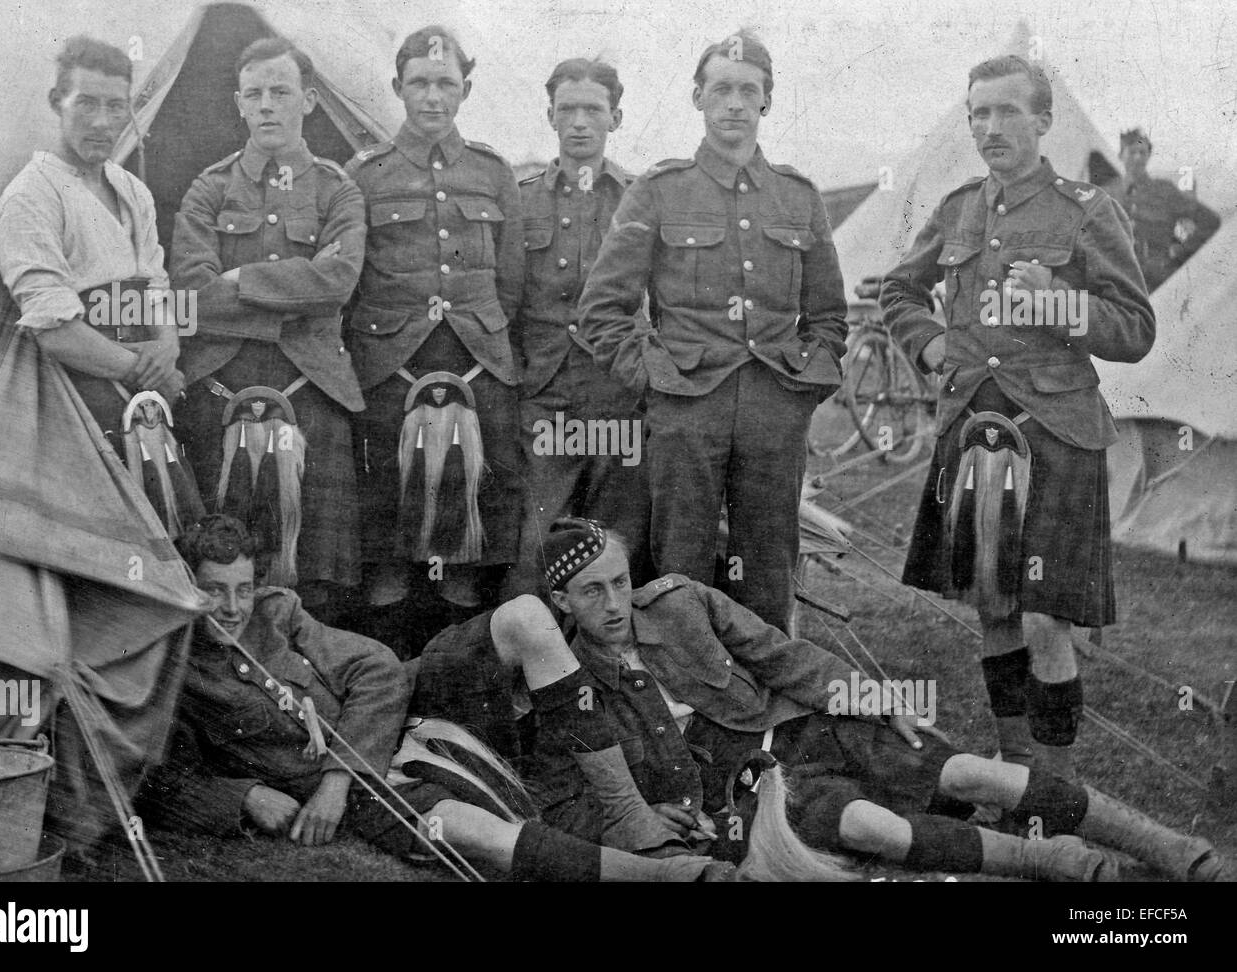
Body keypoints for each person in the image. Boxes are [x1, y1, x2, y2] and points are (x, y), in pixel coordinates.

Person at [416, 517, 1228, 882]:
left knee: (974, 775)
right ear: (562, 608)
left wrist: (874, 698)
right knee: (866, 827)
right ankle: (1055, 862)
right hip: (744, 776)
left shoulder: (682, 602)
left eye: (619, 582)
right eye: (591, 595)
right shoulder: (567, 685)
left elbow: (785, 656)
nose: (613, 604)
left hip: (807, 724)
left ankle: (1171, 849)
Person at [140, 514, 727, 882]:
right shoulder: (168, 665)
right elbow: (159, 778)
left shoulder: (278, 613)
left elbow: (378, 672)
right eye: (214, 590)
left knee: (524, 615)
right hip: (376, 787)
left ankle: (626, 814)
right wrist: (246, 796)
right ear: (184, 584)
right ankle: (677, 876)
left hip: (409, 706)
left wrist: (338, 778)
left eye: (243, 588)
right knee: (472, 834)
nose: (233, 606)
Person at [879, 55, 1156, 781]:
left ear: (1043, 121)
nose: (989, 127)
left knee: (1044, 616)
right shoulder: (958, 206)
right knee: (993, 606)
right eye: (977, 113)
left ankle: (1058, 791)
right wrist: (933, 343)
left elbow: (1135, 328)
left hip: (1057, 434)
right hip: (972, 425)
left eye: (1005, 112)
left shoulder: (1088, 209)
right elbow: (899, 293)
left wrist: (1060, 305)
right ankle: (1014, 765)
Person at [578, 32, 847, 633]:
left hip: (775, 411)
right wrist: (655, 381)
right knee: (681, 566)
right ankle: (689, 699)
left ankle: (768, 708)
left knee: (769, 568)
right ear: (698, 97)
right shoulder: (660, 189)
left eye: (747, 91)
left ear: (766, 103)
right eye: (720, 89)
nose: (734, 103)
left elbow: (829, 314)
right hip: (686, 410)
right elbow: (602, 308)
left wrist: (805, 386)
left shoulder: (798, 196)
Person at [171, 37, 366, 624]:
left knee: (320, 573)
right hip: (220, 397)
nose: (267, 105)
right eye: (254, 94)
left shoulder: (338, 188)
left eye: (280, 92)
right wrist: (293, 293)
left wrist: (240, 279)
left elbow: (337, 281)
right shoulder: (208, 188)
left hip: (314, 394)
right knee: (217, 565)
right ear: (238, 103)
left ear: (308, 100)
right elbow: (191, 298)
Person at [344, 26, 524, 632]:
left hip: (478, 361)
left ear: (465, 89)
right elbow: (350, 278)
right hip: (391, 367)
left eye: (446, 83)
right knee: (390, 531)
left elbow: (513, 281)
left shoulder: (494, 172)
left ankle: (462, 672)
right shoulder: (364, 174)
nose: (432, 96)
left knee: (474, 527)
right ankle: (392, 664)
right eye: (419, 83)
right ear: (398, 87)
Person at [0, 34, 196, 528]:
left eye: (115, 106)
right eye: (86, 104)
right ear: (57, 103)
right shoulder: (30, 198)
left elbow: (156, 285)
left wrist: (167, 346)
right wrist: (142, 371)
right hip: (78, 388)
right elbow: (53, 328)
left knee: (183, 522)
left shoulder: (132, 189)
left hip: (144, 381)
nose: (102, 122)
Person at [505, 58, 651, 597]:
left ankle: (614, 670)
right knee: (538, 547)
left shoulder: (641, 197)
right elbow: (507, 301)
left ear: (616, 116)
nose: (580, 121)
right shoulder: (521, 201)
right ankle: (537, 670)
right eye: (568, 109)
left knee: (618, 545)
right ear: (550, 116)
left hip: (619, 396)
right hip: (545, 399)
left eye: (593, 109)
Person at [1108, 128, 1220, 291]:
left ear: (1148, 156)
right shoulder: (1107, 193)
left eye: (1143, 152)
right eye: (1132, 152)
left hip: (1159, 282)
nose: (1138, 158)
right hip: (1119, 283)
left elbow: (1210, 221)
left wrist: (1181, 252)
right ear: (1120, 155)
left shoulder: (1164, 190)